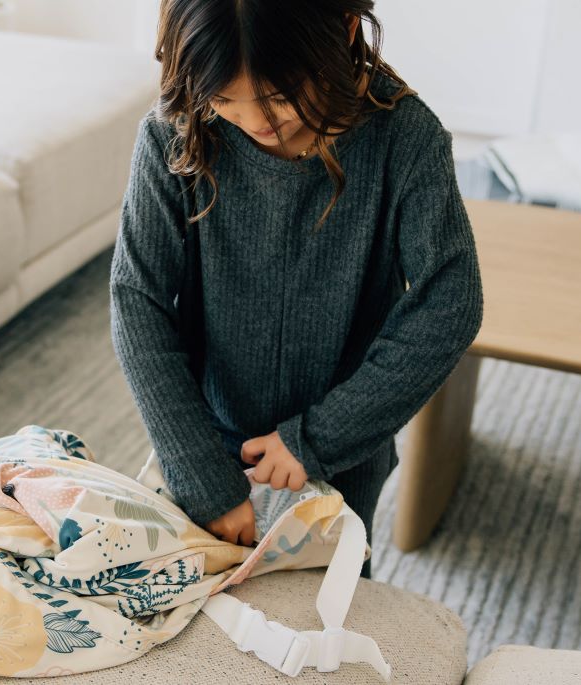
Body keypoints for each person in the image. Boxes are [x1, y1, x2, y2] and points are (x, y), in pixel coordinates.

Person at [109, 0, 484, 579]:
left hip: (344, 450)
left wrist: (319, 439)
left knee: (324, 627)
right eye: (225, 99)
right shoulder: (176, 130)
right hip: (207, 437)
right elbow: (138, 301)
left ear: (344, 28)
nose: (254, 120)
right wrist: (204, 473)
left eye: (281, 95)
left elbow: (450, 303)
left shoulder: (406, 138)